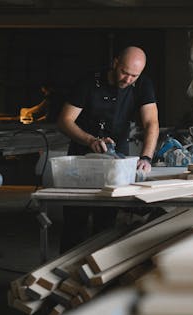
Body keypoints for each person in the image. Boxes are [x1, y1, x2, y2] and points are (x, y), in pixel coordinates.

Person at [57, 46, 159, 253]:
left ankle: (100, 273)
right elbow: (64, 121)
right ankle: (65, 276)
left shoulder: (142, 85)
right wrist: (89, 139)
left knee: (106, 223)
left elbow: (151, 123)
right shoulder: (88, 83)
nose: (128, 80)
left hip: (116, 158)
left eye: (134, 76)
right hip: (82, 156)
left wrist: (146, 157)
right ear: (115, 63)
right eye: (124, 72)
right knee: (75, 221)